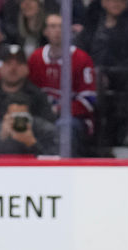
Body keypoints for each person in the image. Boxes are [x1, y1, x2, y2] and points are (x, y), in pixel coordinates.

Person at [76, 0, 128, 149]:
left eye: (120, 1)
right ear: (103, 3)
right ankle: (92, 128)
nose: (116, 3)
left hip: (124, 73)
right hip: (95, 73)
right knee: (92, 76)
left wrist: (109, 70)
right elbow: (80, 53)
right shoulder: (92, 27)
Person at [28, 13, 95, 152]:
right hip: (42, 116)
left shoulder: (82, 58)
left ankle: (65, 163)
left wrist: (58, 110)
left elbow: (89, 100)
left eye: (61, 26)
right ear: (45, 31)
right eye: (53, 26)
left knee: (64, 126)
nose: (57, 30)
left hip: (74, 119)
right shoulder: (35, 58)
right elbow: (29, 93)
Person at [0, 43, 55, 122]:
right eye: (8, 63)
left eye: (19, 63)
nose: (13, 68)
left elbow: (49, 127)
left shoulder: (38, 97)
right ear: (0, 68)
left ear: (27, 69)